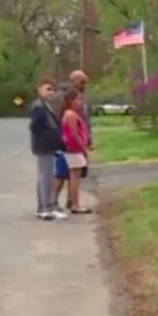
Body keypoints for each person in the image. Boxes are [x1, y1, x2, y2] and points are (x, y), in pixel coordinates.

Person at [52, 70, 93, 211]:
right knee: (62, 172)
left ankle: (71, 200)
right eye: (82, 81)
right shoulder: (63, 98)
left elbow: (86, 121)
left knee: (74, 173)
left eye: (85, 82)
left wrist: (88, 139)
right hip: (67, 143)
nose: (84, 85)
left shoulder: (80, 97)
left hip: (77, 141)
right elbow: (59, 120)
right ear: (74, 80)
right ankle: (54, 201)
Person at [29, 77, 67, 221]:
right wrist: (50, 138)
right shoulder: (39, 106)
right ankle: (46, 208)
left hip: (45, 146)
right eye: (48, 89)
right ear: (39, 90)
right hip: (44, 146)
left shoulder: (45, 105)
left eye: (52, 89)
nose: (51, 92)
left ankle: (43, 207)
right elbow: (35, 127)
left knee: (44, 175)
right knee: (46, 177)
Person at [60, 90, 92, 214]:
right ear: (70, 101)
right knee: (75, 176)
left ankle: (73, 201)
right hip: (74, 149)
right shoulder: (71, 115)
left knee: (75, 175)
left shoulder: (69, 113)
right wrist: (83, 149)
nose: (80, 102)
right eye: (78, 100)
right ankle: (75, 204)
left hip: (73, 149)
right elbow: (74, 134)